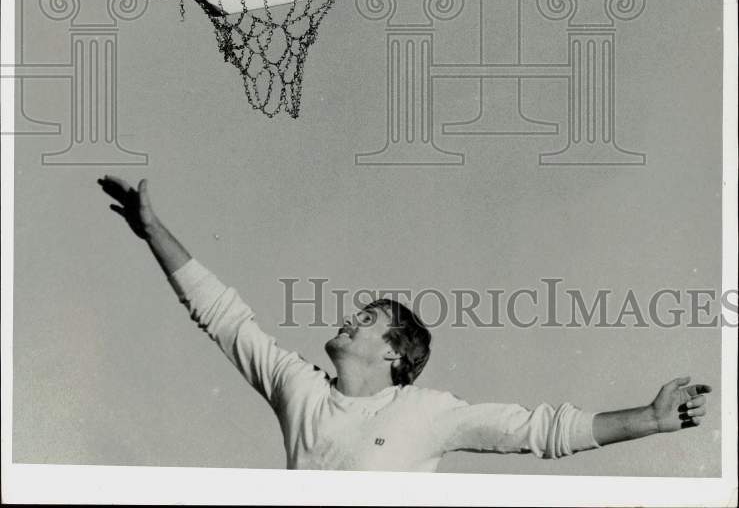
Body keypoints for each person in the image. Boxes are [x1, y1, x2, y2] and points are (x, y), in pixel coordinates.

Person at [98, 176, 712, 472]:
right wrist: (154, 232)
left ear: (395, 353)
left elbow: (542, 430)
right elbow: (224, 317)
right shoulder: (300, 389)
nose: (347, 320)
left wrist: (652, 418)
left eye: (365, 319)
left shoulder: (430, 412)